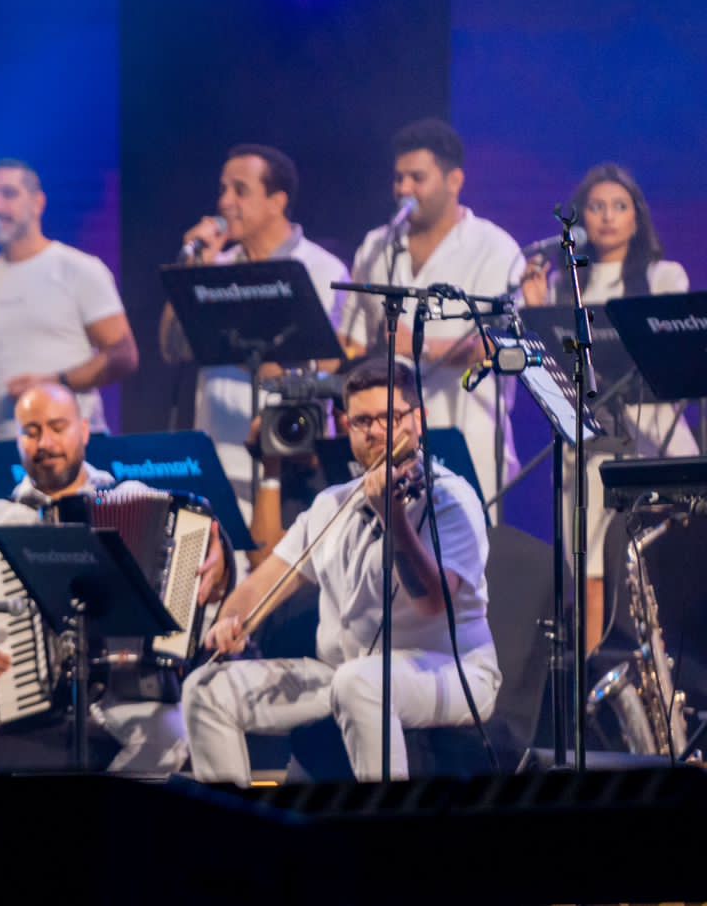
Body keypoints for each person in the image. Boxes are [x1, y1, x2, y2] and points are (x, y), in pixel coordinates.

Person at [183, 361, 500, 784]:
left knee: (360, 683)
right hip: (344, 672)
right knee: (205, 689)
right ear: (347, 426)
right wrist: (231, 620)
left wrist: (393, 518)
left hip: (450, 672)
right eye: (363, 421)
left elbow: (432, 601)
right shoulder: (333, 504)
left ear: (419, 420)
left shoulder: (450, 499)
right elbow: (262, 584)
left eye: (390, 418)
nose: (376, 431)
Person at [0, 383, 229, 775]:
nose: (45, 443)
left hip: (119, 687)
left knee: (172, 733)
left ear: (83, 431)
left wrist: (221, 558)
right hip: (18, 681)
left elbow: (202, 549)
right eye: (31, 432)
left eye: (57, 427)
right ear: (18, 441)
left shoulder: (133, 496)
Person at [521, 163, 698, 651]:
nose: (606, 217)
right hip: (589, 448)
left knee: (666, 564)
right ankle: (594, 670)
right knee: (590, 569)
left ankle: (671, 667)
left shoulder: (663, 276)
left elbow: (675, 355)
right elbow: (549, 373)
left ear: (637, 217)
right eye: (596, 207)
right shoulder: (564, 284)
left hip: (654, 443)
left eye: (619, 206)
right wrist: (535, 310)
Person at [341, 118, 524, 512]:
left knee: (465, 545)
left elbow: (503, 345)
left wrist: (420, 346)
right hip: (388, 439)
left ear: (454, 181)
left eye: (417, 178)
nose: (404, 189)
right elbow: (353, 340)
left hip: (467, 434)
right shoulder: (376, 246)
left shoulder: (495, 249)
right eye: (399, 178)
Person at [159, 144, 348, 523]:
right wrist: (192, 273)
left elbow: (322, 365)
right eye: (223, 189)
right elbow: (172, 348)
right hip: (215, 462)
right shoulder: (216, 266)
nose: (224, 202)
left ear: (277, 201)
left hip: (285, 462)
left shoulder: (321, 269)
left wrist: (235, 345)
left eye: (240, 190)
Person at [0, 159, 139, 489]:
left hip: (73, 449)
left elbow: (123, 354)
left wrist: (52, 383)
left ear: (38, 203)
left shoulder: (78, 268)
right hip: (7, 449)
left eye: (9, 194)